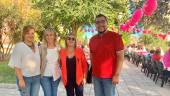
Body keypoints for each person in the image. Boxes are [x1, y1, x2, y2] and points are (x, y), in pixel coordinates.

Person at [89, 14, 124, 96]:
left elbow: (121, 58)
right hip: (96, 76)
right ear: (95, 25)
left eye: (103, 21)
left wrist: (117, 75)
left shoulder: (116, 37)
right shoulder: (92, 39)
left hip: (110, 77)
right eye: (97, 22)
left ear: (107, 23)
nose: (100, 24)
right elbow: (92, 57)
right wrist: (92, 73)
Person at [8, 25, 41, 96]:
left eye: (32, 33)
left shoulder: (36, 46)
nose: (30, 35)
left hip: (36, 78)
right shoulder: (19, 46)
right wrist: (20, 79)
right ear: (24, 34)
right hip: (25, 78)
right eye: (28, 33)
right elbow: (16, 65)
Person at [40, 29, 61, 96]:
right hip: (44, 76)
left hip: (56, 76)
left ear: (54, 36)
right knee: (48, 94)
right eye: (47, 35)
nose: (49, 37)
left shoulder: (59, 48)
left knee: (54, 94)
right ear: (45, 37)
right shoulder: (41, 48)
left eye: (51, 35)